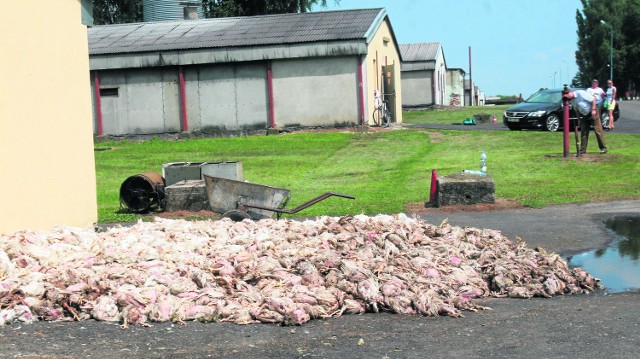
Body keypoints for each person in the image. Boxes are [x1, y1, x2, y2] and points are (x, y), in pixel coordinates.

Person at [563, 88, 607, 154]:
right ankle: (582, 150)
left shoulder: (580, 93)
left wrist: (593, 109)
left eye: (566, 96)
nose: (567, 99)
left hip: (593, 113)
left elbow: (593, 99)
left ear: (570, 93)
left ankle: (603, 148)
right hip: (584, 115)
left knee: (598, 131)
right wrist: (579, 119)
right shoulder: (571, 100)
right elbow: (576, 109)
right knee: (584, 133)